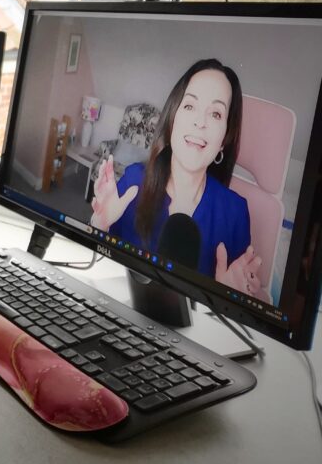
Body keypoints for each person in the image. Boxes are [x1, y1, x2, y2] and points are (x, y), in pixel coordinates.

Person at [89, 59, 263, 297]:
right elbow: (99, 275)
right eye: (190, 106)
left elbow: (234, 309)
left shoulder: (235, 212)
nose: (200, 122)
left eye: (215, 113)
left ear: (225, 137)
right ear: (173, 118)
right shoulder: (133, 181)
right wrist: (99, 226)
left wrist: (231, 300)